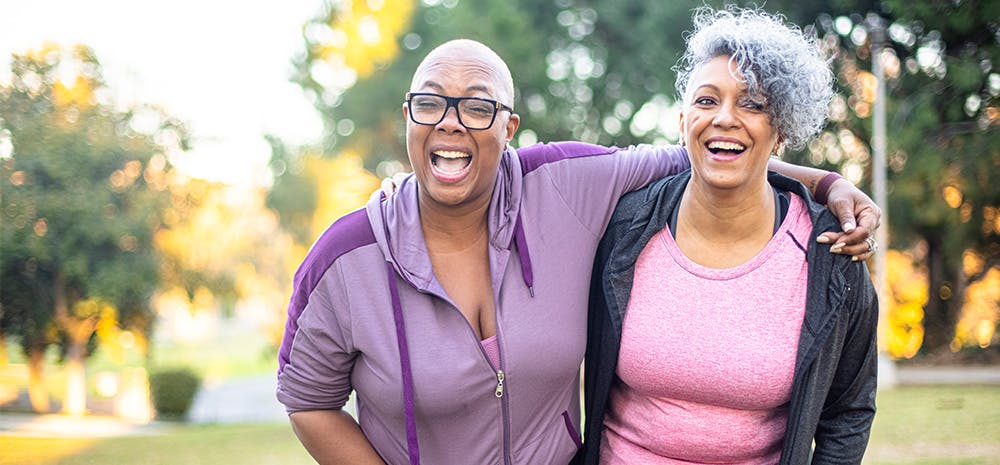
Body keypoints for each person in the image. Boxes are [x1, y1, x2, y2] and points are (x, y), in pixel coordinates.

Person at [276, 38, 879, 465]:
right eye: (430, 103)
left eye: (478, 106)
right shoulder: (345, 257)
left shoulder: (567, 187)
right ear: (408, 117)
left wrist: (827, 184)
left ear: (509, 128)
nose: (451, 123)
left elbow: (710, 157)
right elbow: (307, 400)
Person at [580, 7, 878, 465]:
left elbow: (848, 411)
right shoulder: (621, 229)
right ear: (683, 122)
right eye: (707, 100)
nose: (724, 118)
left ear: (781, 132)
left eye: (752, 104)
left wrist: (830, 184)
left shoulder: (830, 253)